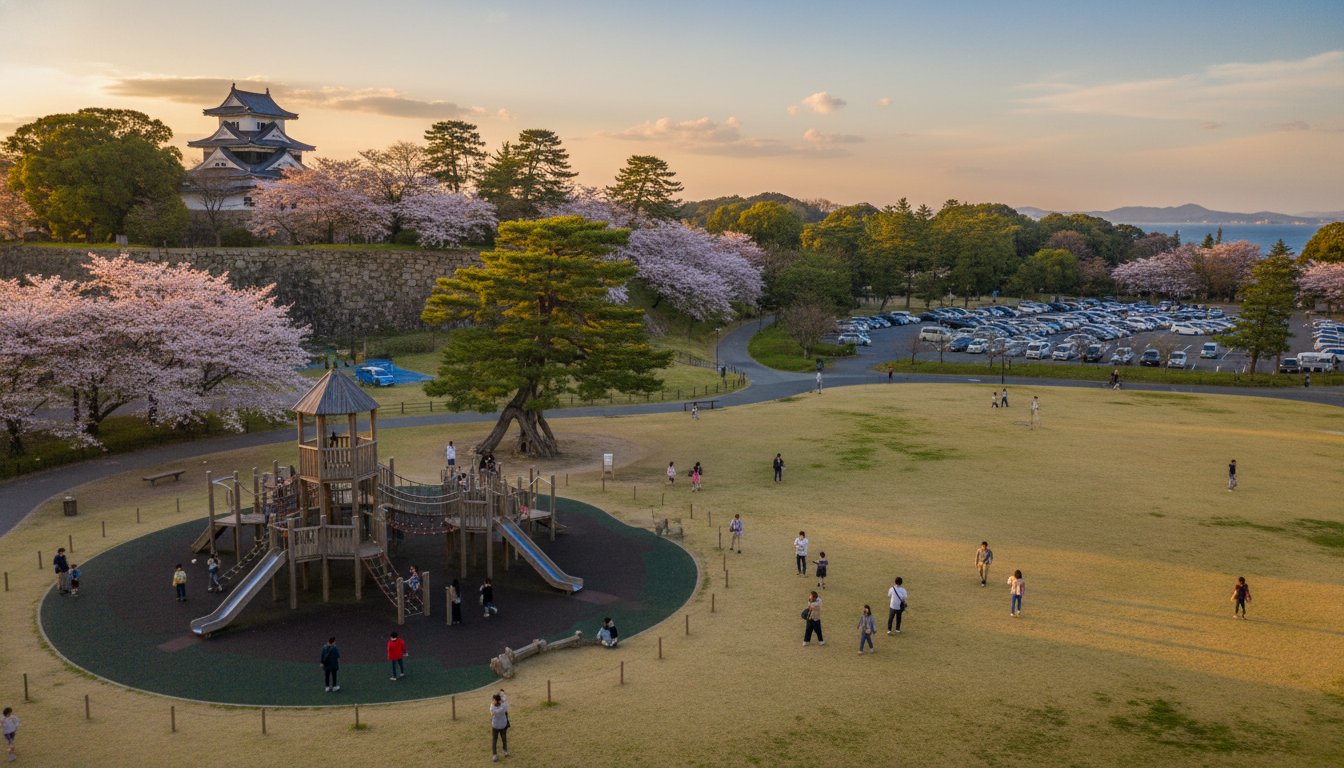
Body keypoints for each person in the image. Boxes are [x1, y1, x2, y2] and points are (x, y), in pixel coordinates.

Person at [490, 692, 510, 761]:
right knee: (504, 738)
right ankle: (506, 751)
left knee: (494, 740)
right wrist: (503, 699)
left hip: (495, 725)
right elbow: (506, 703)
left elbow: (491, 712)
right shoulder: (503, 706)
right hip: (502, 724)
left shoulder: (493, 707)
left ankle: (495, 755)